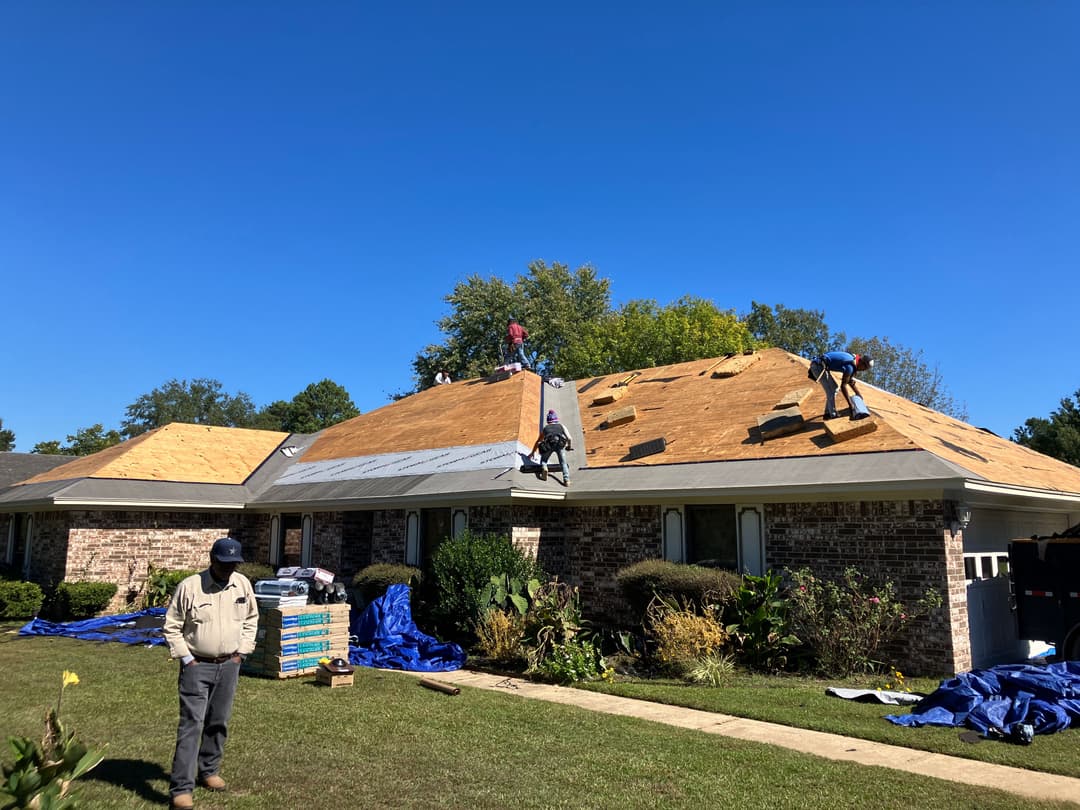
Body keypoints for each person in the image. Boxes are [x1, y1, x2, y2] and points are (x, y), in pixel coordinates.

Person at [163, 537, 259, 810]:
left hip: (230, 664)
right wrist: (187, 658)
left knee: (219, 721)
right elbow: (172, 626)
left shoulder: (242, 585)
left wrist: (242, 652)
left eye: (233, 564)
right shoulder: (190, 587)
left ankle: (209, 771)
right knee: (191, 724)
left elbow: (252, 619)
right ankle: (182, 788)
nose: (229, 569)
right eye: (224, 564)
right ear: (212, 560)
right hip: (197, 665)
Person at [808, 351, 873, 420]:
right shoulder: (850, 366)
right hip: (818, 366)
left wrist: (859, 396)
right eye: (864, 368)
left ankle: (828, 413)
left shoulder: (853, 360)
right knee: (830, 391)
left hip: (821, 365)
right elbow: (843, 386)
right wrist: (851, 405)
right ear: (862, 363)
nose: (863, 370)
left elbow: (850, 381)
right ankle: (832, 414)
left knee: (834, 388)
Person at [530, 409, 573, 484]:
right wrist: (569, 447)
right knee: (563, 463)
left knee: (544, 461)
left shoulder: (545, 428)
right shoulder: (561, 426)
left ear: (548, 420)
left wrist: (533, 452)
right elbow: (569, 438)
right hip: (560, 445)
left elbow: (538, 441)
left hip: (549, 445)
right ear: (556, 419)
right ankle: (566, 480)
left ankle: (544, 468)